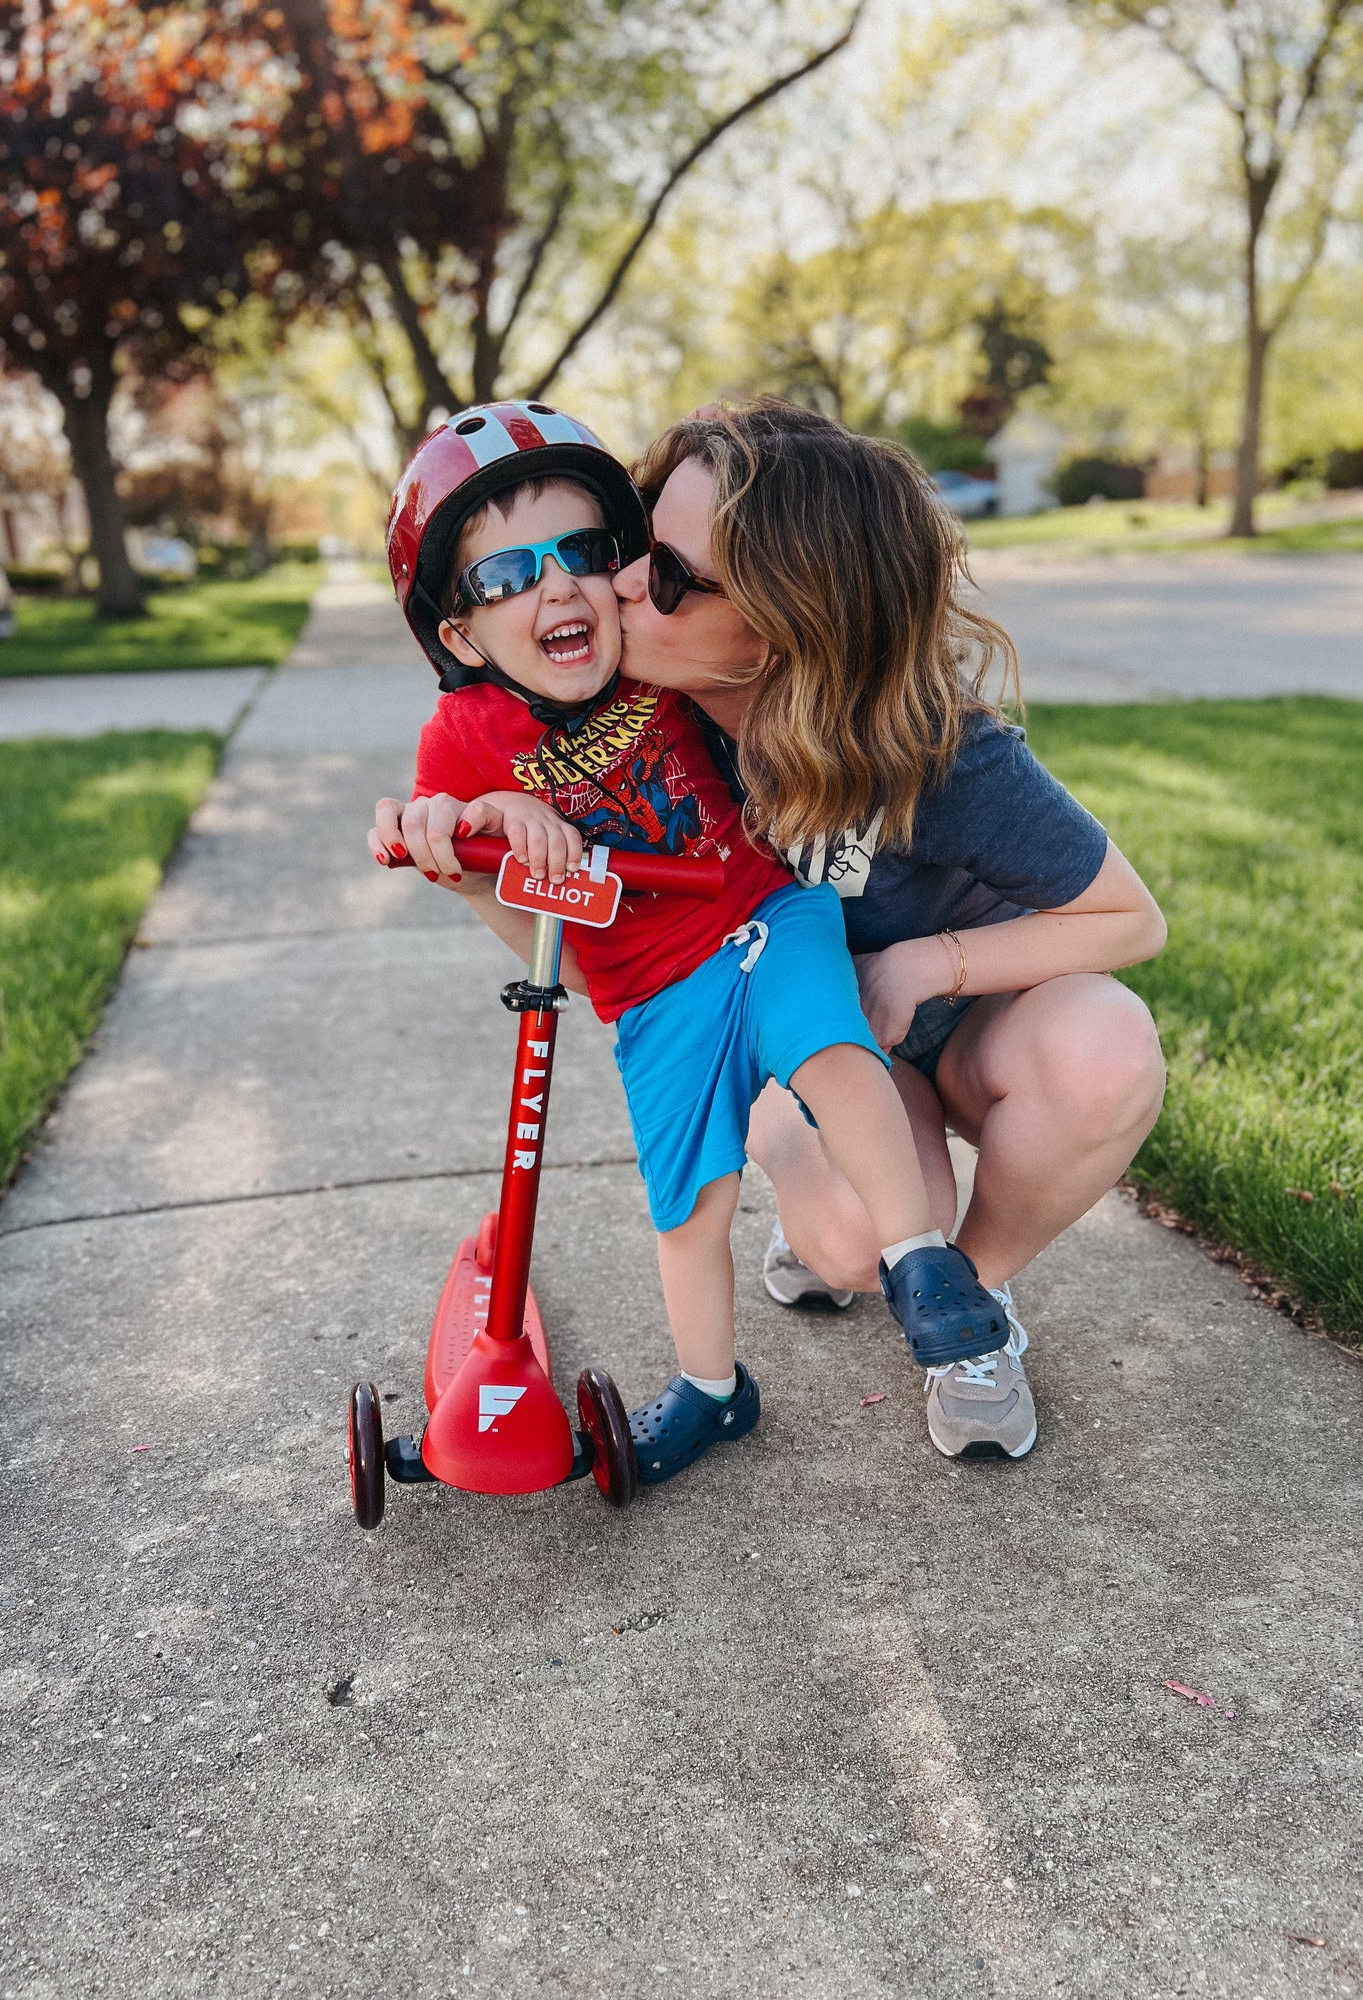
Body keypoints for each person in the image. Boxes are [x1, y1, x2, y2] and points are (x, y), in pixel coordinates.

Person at [371, 398, 1009, 1485]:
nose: (561, 587)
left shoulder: (654, 655)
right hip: (650, 990)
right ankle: (714, 1391)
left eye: (584, 552)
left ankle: (920, 1258)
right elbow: (442, 828)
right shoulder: (466, 735)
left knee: (825, 1042)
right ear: (458, 634)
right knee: (689, 1206)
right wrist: (468, 823)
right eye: (507, 577)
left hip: (762, 908)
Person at [609, 398, 1169, 1461]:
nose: (631, 583)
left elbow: (1130, 919)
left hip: (966, 1024)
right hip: (827, 1042)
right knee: (857, 1240)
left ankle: (969, 1309)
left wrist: (928, 961)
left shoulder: (934, 748)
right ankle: (796, 1146)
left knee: (1109, 1049)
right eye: (640, 544)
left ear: (787, 624)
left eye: (671, 576)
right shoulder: (646, 733)